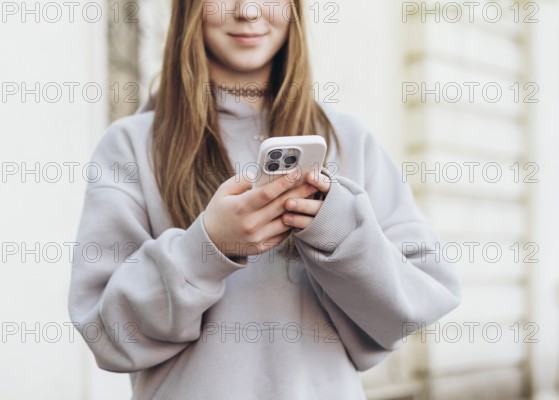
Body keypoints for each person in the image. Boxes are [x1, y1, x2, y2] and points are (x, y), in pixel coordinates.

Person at [68, 0, 461, 399]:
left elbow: (416, 304)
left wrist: (337, 231)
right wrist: (208, 247)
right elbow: (106, 334)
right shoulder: (131, 146)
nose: (249, 10)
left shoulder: (350, 141)